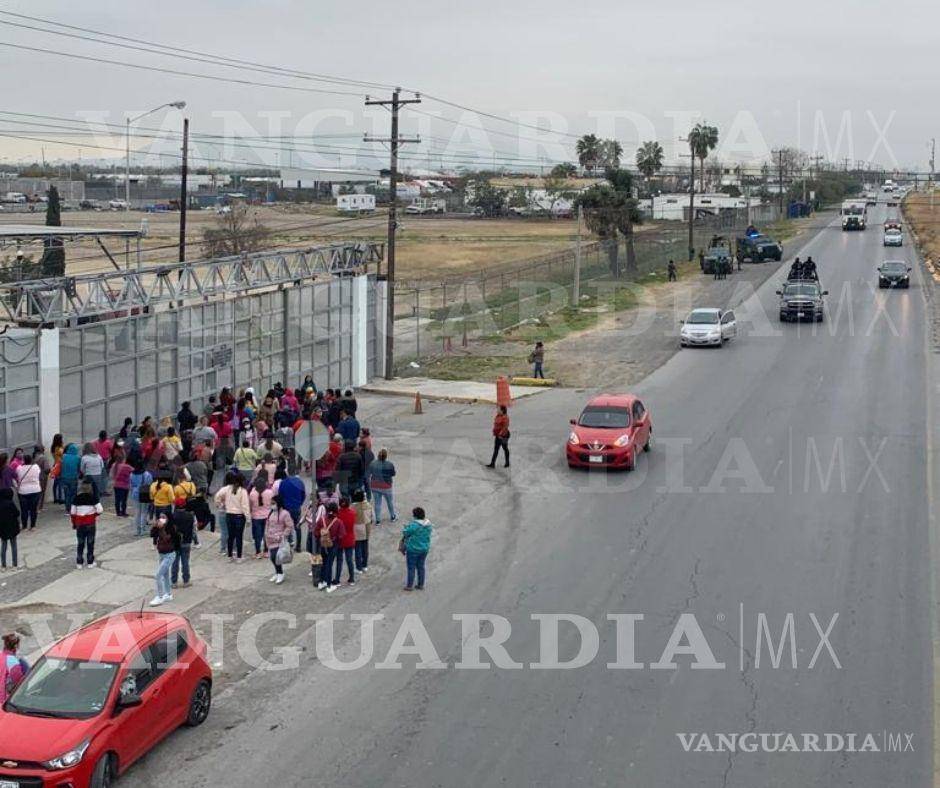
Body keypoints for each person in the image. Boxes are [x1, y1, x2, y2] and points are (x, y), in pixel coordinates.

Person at [214, 474, 250, 561]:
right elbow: (245, 506)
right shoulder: (243, 491)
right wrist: (248, 518)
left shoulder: (227, 489)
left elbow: (217, 496)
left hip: (229, 515)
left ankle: (229, 556)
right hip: (239, 516)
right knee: (239, 537)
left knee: (230, 536)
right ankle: (239, 556)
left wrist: (220, 505)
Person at [149, 513, 181, 606]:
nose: (161, 519)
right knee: (165, 575)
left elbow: (169, 538)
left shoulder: (172, 528)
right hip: (161, 554)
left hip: (169, 554)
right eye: (160, 517)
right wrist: (155, 527)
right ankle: (168, 594)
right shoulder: (159, 527)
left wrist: (162, 528)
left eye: (164, 517)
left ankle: (160, 596)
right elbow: (152, 535)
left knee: (158, 575)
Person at [70, 480, 102, 569]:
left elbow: (73, 512)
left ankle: (79, 562)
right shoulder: (93, 498)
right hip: (90, 523)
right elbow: (100, 510)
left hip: (80, 524)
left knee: (80, 543)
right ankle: (90, 562)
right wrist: (94, 514)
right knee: (90, 543)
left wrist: (74, 523)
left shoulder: (76, 498)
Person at [402, 507, 433, 591]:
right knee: (421, 566)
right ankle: (420, 584)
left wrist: (406, 527)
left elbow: (405, 532)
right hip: (424, 549)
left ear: (415, 516)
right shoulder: (428, 524)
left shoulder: (414, 525)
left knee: (411, 567)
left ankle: (409, 586)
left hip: (413, 549)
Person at [265, 494, 294, 584]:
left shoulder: (285, 513)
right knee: (272, 557)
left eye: (273, 503)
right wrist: (266, 534)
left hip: (279, 539)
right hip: (270, 538)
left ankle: (280, 573)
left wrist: (283, 535)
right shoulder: (271, 513)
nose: (272, 505)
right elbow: (268, 524)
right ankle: (277, 572)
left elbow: (289, 526)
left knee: (275, 556)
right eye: (271, 503)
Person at [278, 468, 307, 549]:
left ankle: (290, 543)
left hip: (286, 508)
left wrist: (282, 506)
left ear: (287, 472)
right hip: (296, 507)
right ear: (295, 472)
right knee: (297, 526)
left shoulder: (283, 482)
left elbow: (280, 495)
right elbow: (303, 494)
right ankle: (298, 546)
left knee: (287, 526)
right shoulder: (300, 482)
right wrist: (300, 503)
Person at [316, 502, 342, 592]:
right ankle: (329, 585)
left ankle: (321, 582)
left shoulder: (321, 520)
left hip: (323, 545)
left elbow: (316, 533)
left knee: (323, 563)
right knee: (329, 564)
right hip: (332, 545)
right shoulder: (338, 521)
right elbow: (341, 535)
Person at [14, 453, 42, 531]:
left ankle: (24, 526)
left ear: (23, 460)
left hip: (23, 491)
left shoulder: (19, 468)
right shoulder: (36, 467)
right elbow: (38, 474)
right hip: (35, 490)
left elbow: (16, 477)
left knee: (24, 509)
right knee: (33, 509)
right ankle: (33, 526)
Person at [368, 448, 397, 523]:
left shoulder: (372, 463)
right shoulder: (389, 464)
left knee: (377, 503)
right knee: (389, 502)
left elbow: (369, 472)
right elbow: (393, 474)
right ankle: (392, 516)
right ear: (386, 456)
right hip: (386, 486)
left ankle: (378, 520)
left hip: (375, 485)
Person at [170, 506, 196, 589]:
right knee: (185, 562)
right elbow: (193, 529)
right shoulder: (190, 516)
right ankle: (186, 581)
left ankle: (174, 582)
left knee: (174, 563)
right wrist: (194, 540)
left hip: (175, 542)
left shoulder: (172, 516)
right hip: (186, 541)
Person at [249, 475, 273, 559]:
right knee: (266, 534)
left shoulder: (252, 494)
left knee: (257, 535)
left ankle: (258, 552)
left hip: (256, 517)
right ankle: (266, 551)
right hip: (267, 516)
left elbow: (250, 506)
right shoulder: (270, 492)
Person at [0, 633, 29, 703]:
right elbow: (19, 684)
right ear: (16, 646)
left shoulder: (1, 655)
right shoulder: (13, 662)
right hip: (5, 699)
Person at [335, 497, 357, 585]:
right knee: (349, 560)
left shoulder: (337, 514)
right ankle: (352, 578)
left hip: (339, 539)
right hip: (349, 538)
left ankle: (337, 579)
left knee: (339, 560)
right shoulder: (352, 513)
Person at [352, 489, 373, 573]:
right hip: (367, 528)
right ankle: (365, 565)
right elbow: (372, 517)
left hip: (357, 528)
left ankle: (359, 567)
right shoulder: (368, 505)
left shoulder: (353, 507)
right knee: (365, 548)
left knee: (358, 549)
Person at [129, 462, 153, 536]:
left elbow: (131, 485)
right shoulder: (146, 474)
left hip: (135, 494)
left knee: (137, 513)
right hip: (144, 494)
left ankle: (137, 530)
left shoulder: (131, 474)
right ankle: (143, 529)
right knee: (144, 512)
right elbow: (150, 484)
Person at [0, 490, 19, 570]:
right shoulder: (11, 503)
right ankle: (14, 565)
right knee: (14, 545)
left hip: (2, 528)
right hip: (12, 527)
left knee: (3, 546)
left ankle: (3, 565)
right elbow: (17, 513)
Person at [59, 444, 81, 511]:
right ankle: (72, 507)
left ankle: (67, 507)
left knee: (66, 493)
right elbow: (79, 468)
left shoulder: (63, 456)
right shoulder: (78, 458)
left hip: (64, 478)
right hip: (73, 478)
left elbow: (60, 466)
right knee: (73, 493)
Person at [50, 433, 65, 504]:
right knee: (60, 482)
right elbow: (62, 455)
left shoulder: (53, 447)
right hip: (59, 465)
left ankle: (55, 498)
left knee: (56, 483)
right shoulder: (59, 448)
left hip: (55, 465)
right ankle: (60, 498)